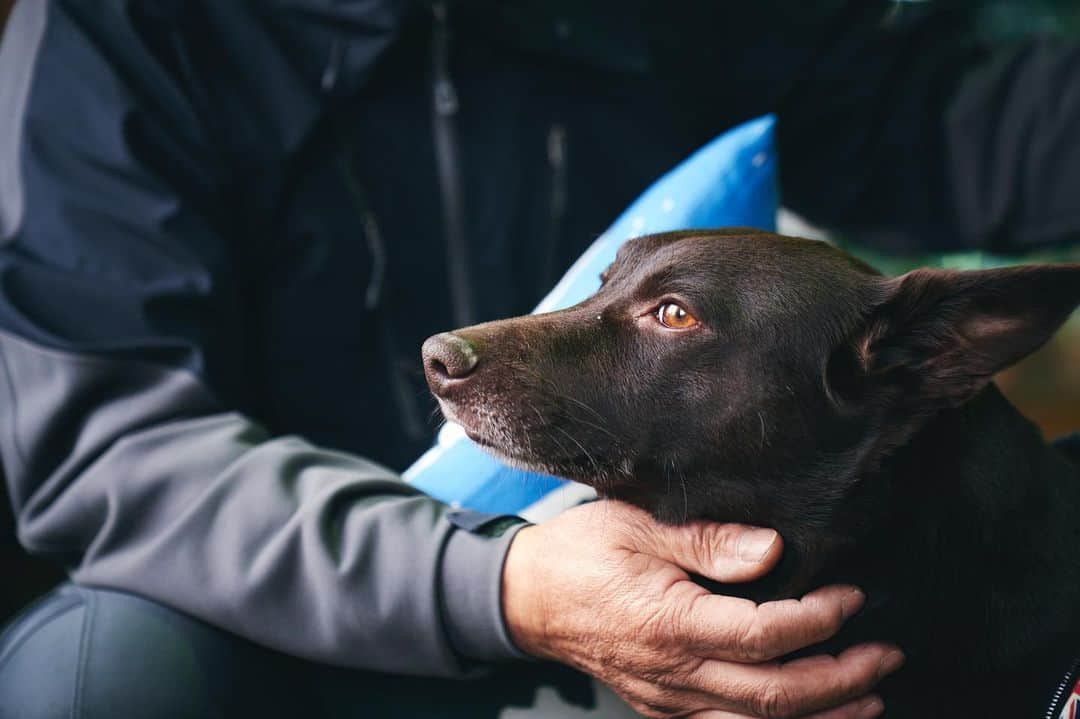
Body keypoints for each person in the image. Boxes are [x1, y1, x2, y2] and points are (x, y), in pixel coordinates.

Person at [0, 1, 1076, 717]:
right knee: (101, 677)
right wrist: (494, 580)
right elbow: (107, 446)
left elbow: (935, 116)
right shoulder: (124, 32)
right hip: (285, 611)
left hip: (677, 597)